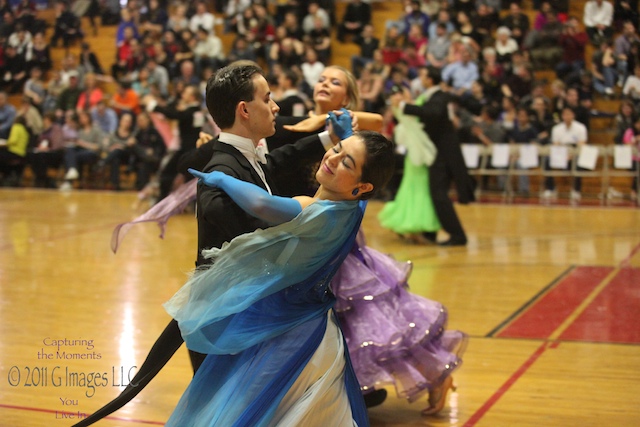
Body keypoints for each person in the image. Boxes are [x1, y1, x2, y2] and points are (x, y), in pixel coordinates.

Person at [391, 66, 475, 246]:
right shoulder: (431, 96)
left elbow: (432, 113)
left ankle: (457, 235)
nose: (419, 77)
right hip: (434, 153)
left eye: (422, 75)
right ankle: (430, 232)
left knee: (439, 195)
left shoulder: (440, 96)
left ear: (430, 79)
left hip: (443, 154)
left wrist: (404, 105)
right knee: (434, 194)